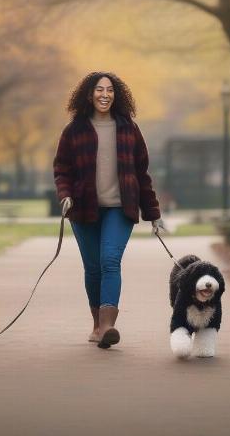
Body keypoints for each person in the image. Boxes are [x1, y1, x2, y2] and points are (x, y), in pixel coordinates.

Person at [53, 71, 167, 349]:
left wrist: (153, 214)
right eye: (99, 90)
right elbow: (62, 169)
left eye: (110, 90)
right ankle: (96, 324)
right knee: (92, 268)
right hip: (83, 211)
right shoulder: (74, 130)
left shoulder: (129, 129)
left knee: (109, 261)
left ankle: (108, 326)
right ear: (89, 95)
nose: (105, 95)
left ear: (117, 95)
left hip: (120, 208)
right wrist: (65, 195)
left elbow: (142, 173)